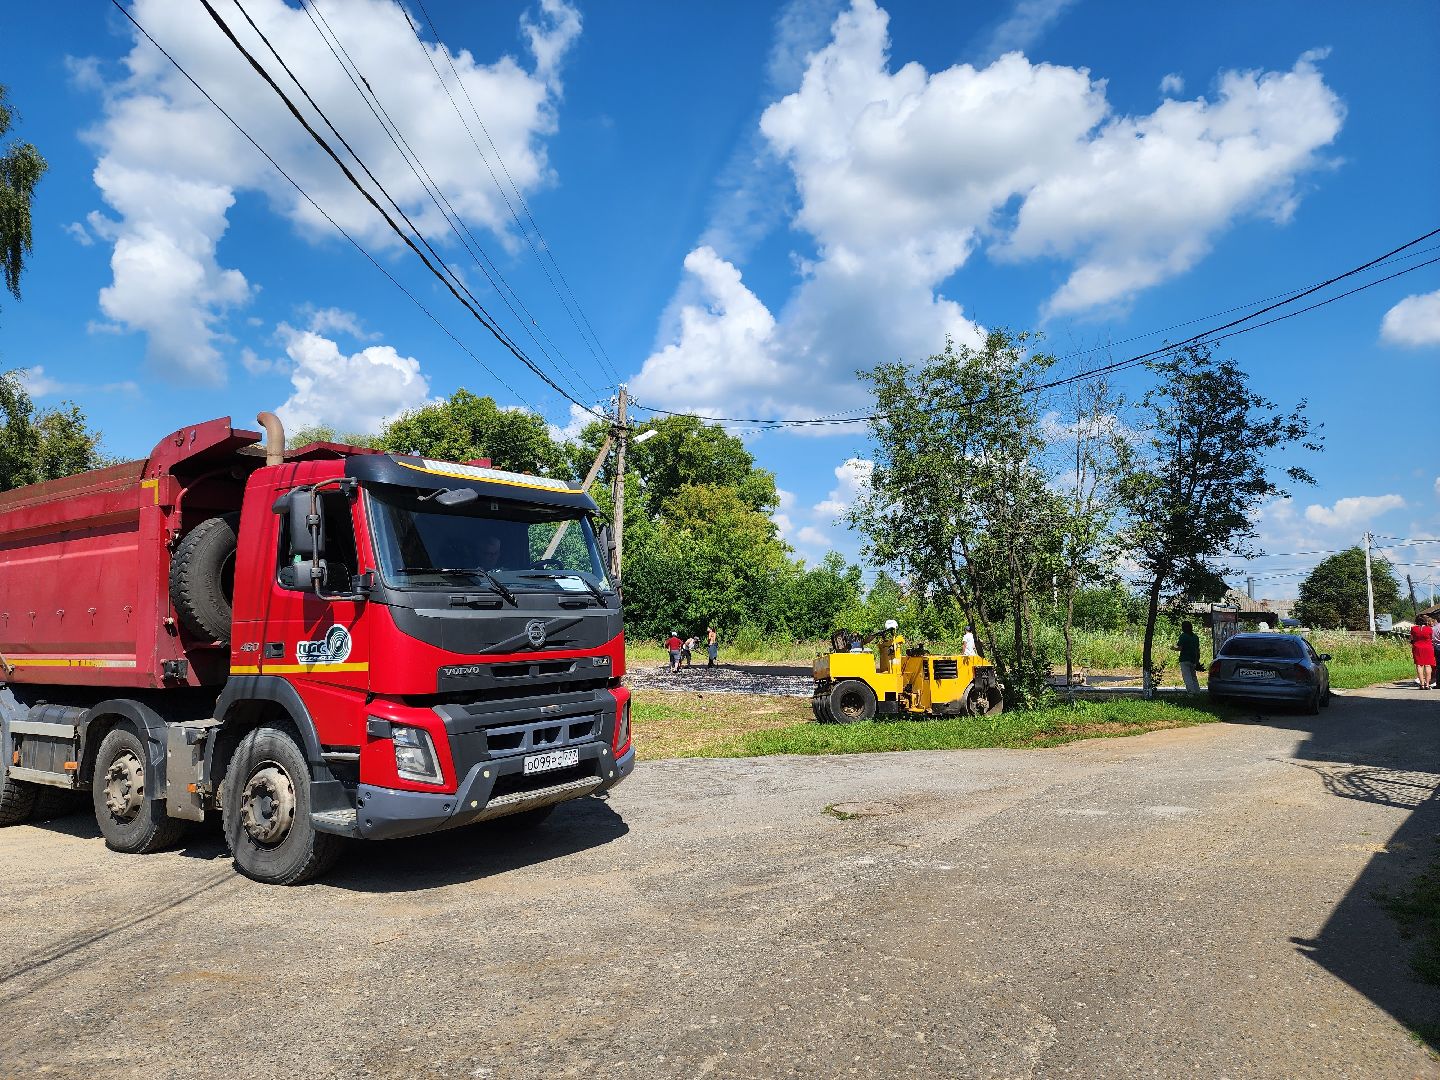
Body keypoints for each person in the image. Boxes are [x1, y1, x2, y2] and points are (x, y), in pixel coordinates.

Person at [1176, 620, 1203, 693]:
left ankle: (1191, 692)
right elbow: (1198, 650)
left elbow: (1180, 648)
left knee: (1187, 677)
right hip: (1193, 659)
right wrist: (1197, 661)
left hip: (1184, 659)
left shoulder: (1183, 636)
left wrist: (1173, 648)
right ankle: (1197, 691)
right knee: (1194, 677)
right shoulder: (1195, 637)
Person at [1411, 616, 1435, 690]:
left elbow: (1412, 638)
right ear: (1425, 621)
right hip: (1428, 648)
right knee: (1428, 665)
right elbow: (1431, 638)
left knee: (1419, 665)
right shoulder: (1429, 629)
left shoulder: (1413, 628)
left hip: (1417, 648)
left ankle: (1421, 684)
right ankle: (1427, 684)